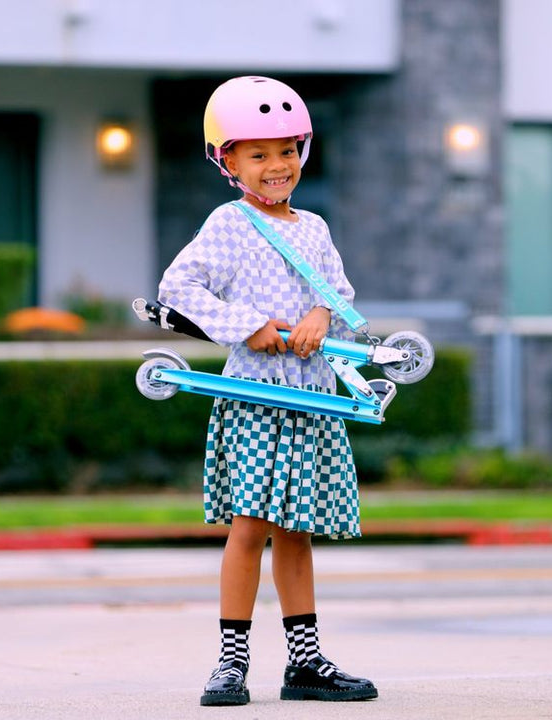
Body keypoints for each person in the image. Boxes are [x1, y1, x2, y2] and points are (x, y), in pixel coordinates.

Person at [158, 75, 378, 706]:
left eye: (287, 150)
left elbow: (339, 297)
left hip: (314, 393)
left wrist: (322, 316)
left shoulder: (315, 227)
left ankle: (305, 665)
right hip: (256, 392)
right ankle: (230, 665)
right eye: (258, 154)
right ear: (227, 162)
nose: (277, 165)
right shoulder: (229, 223)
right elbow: (178, 289)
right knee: (250, 526)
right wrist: (247, 324)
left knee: (297, 528)